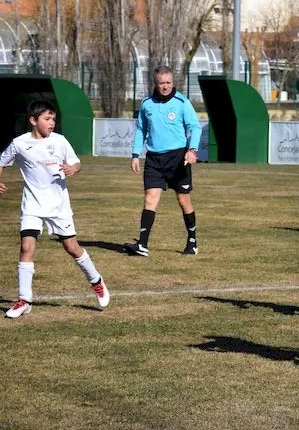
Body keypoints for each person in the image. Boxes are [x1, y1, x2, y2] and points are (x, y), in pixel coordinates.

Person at [0, 100, 110, 318]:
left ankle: (96, 281)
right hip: (31, 204)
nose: (52, 123)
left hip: (58, 206)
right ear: (33, 120)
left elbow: (76, 163)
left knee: (72, 247)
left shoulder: (59, 141)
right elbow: (1, 161)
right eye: (47, 119)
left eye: (54, 119)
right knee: (26, 247)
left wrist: (73, 168)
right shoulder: (19, 143)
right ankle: (24, 300)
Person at [124, 65, 202, 257]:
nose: (165, 86)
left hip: (178, 159)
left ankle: (192, 241)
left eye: (168, 83)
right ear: (155, 83)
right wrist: (135, 154)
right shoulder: (146, 104)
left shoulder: (182, 102)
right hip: (154, 159)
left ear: (172, 82)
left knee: (183, 200)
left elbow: (195, 127)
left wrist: (192, 150)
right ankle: (142, 245)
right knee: (150, 198)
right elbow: (141, 130)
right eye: (161, 83)